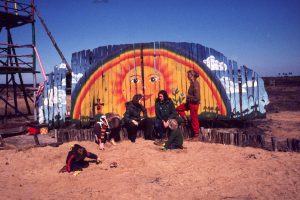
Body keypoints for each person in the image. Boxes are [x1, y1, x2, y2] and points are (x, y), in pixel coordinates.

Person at [176, 70, 201, 139]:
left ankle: (196, 135)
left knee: (194, 118)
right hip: (190, 103)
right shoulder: (192, 83)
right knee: (179, 108)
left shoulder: (195, 84)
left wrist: (189, 98)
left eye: (188, 75)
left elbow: (197, 98)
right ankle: (186, 120)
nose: (187, 76)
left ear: (192, 76)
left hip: (194, 104)